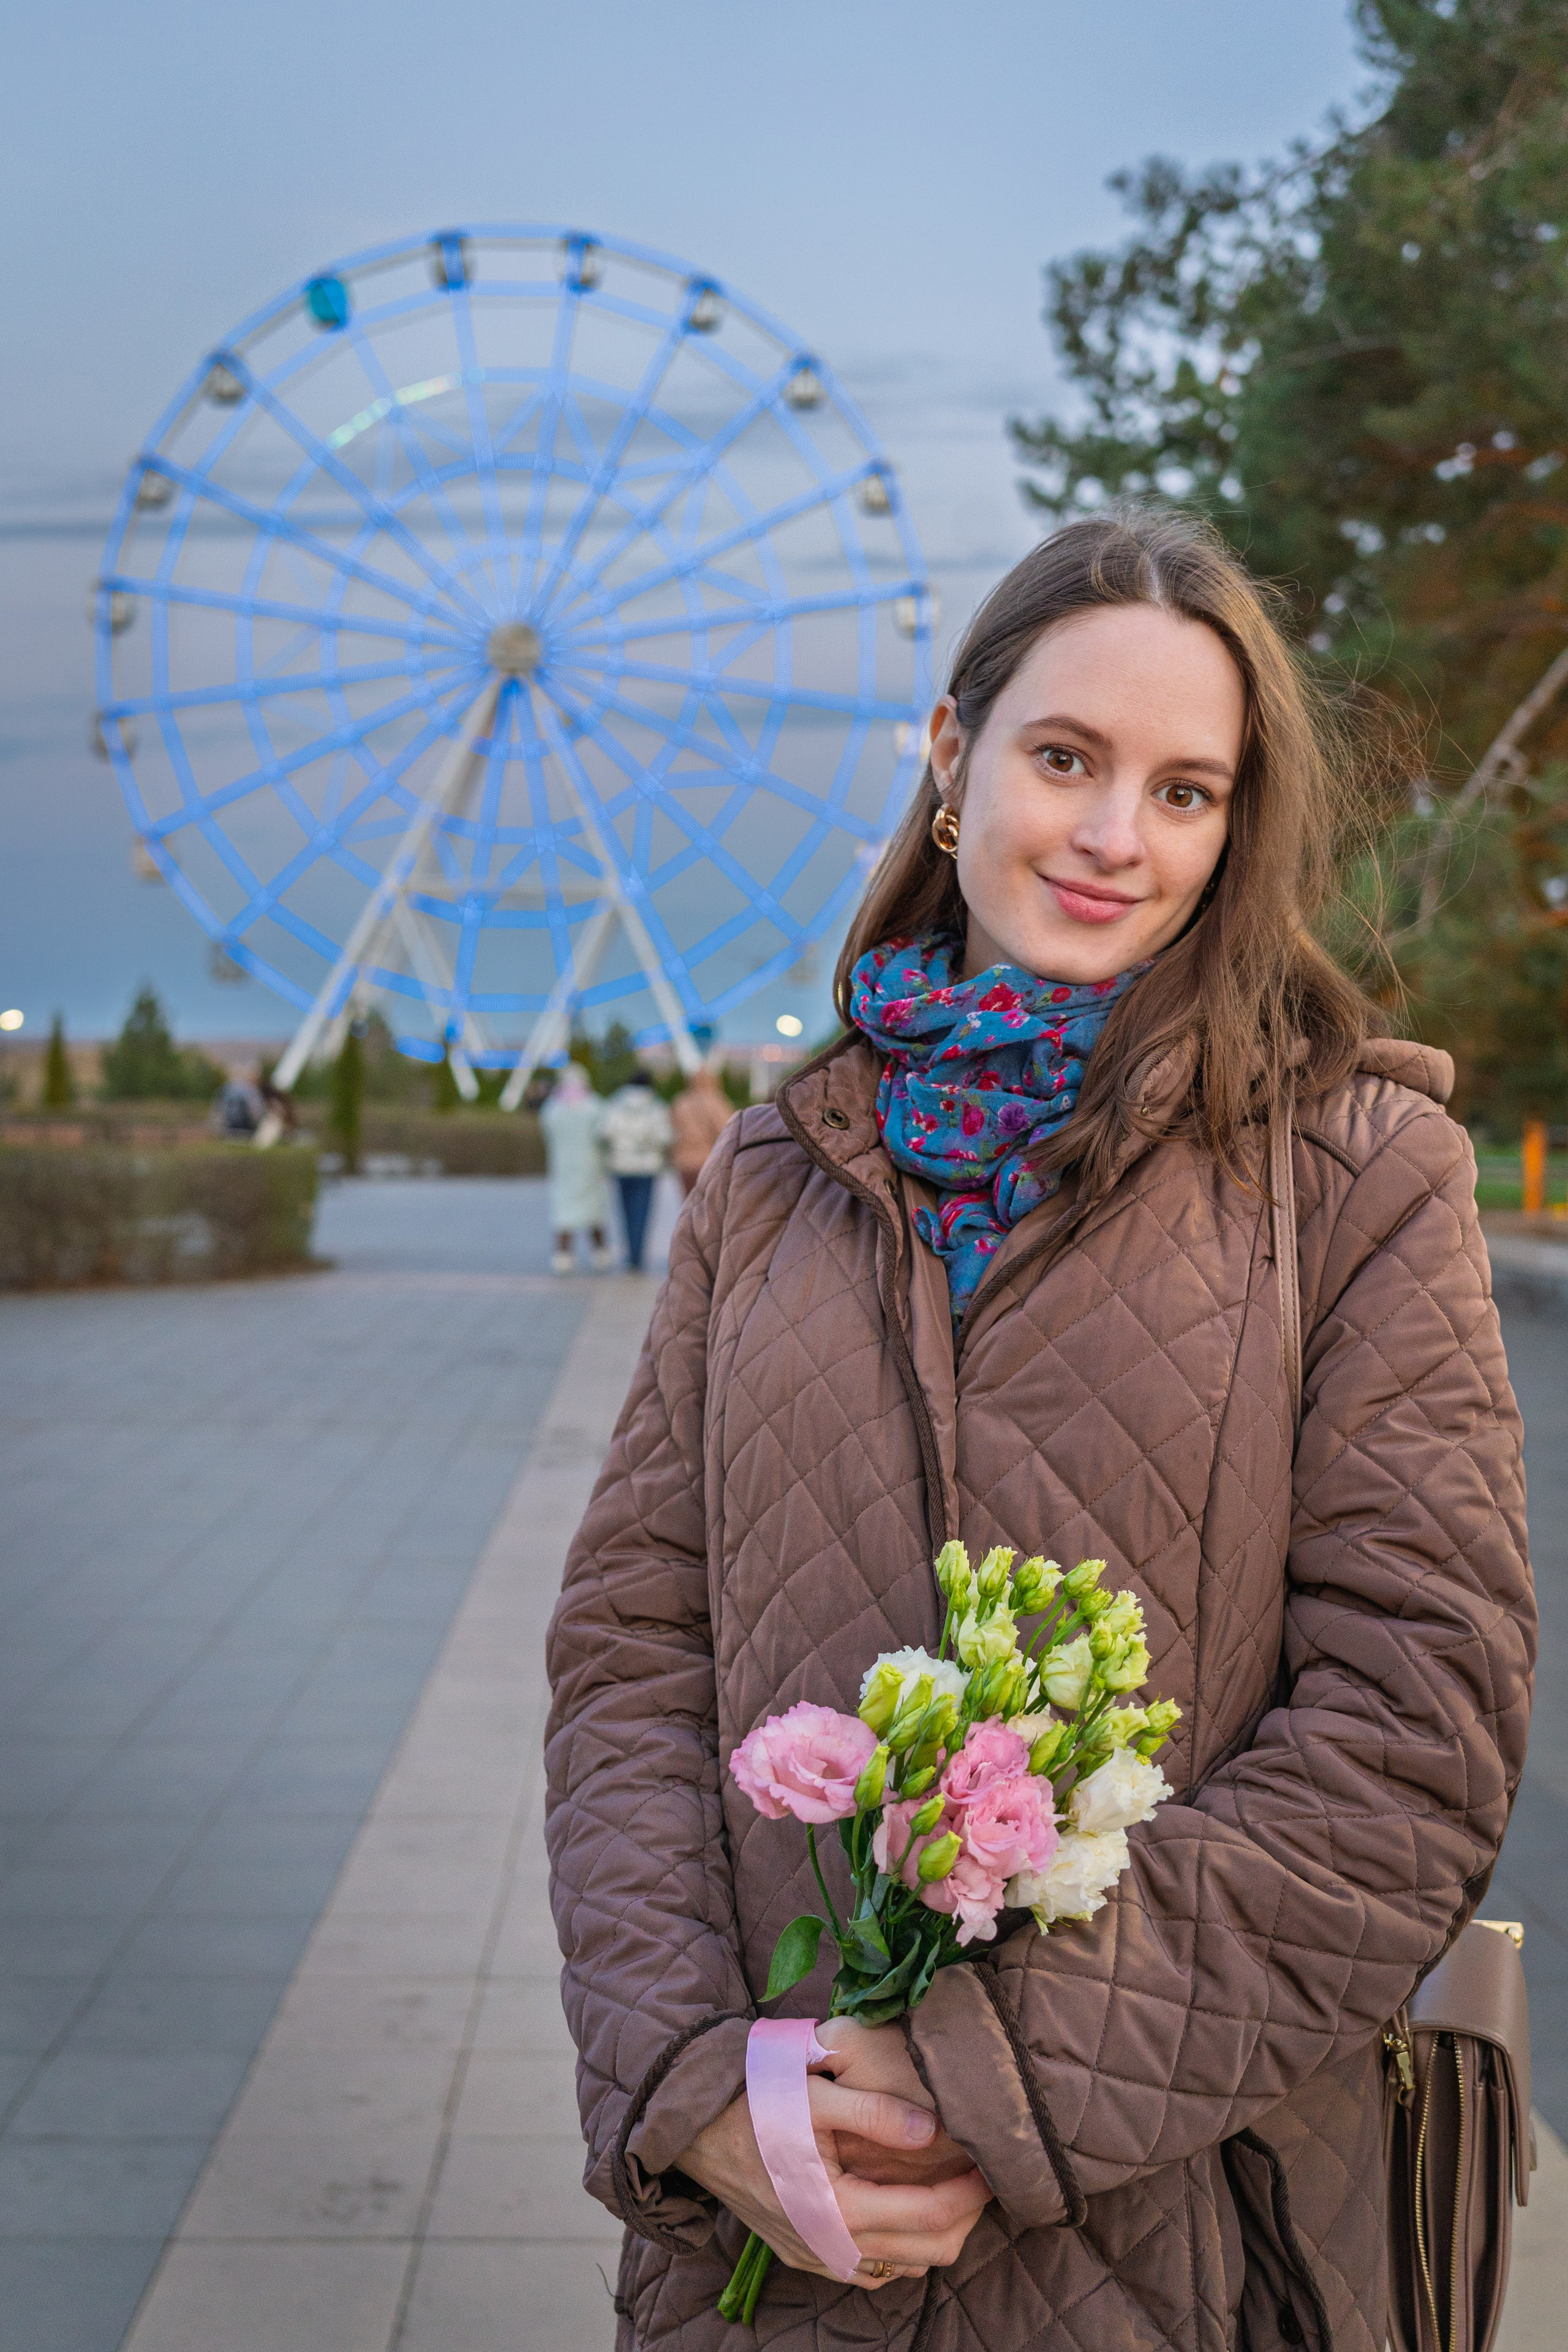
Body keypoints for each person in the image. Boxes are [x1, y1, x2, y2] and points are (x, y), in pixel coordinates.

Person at [544, 513, 1534, 2352]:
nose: (1111, 837)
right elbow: (628, 1656)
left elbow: (1419, 1720)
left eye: (1184, 790)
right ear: (950, 755)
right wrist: (695, 2088)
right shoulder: (769, 1180)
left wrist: (990, 2076)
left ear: (1236, 829)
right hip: (774, 2254)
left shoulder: (1363, 1176)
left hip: (1195, 2245)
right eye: (1064, 758)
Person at [540, 1061, 611, 1274]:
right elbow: (605, 1135)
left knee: (565, 1214)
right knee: (594, 1212)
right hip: (591, 1167)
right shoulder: (595, 1105)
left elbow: (548, 1134)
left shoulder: (553, 1108)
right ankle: (600, 1253)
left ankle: (563, 1256)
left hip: (563, 1168)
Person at [601, 1069, 674, 1273]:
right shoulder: (656, 1106)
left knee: (625, 1212)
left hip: (621, 1164)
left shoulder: (615, 1103)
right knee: (642, 1212)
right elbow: (665, 1136)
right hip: (647, 1166)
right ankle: (637, 1256)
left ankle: (630, 1255)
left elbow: (604, 1131)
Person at [669, 1064, 735, 1197]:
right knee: (708, 1205)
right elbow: (728, 1131)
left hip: (684, 1161)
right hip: (709, 1160)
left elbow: (672, 1129)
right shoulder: (717, 1102)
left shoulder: (681, 1102)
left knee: (688, 1202)